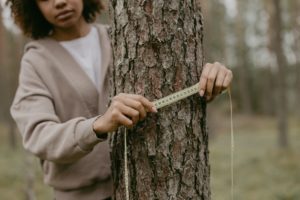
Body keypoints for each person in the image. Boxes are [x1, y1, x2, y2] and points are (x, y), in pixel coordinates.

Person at [8, 0, 233, 199]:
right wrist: (96, 126)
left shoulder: (124, 37)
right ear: (31, 5)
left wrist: (209, 79)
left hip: (145, 187)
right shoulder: (36, 61)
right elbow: (38, 135)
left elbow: (166, 89)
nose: (59, 2)